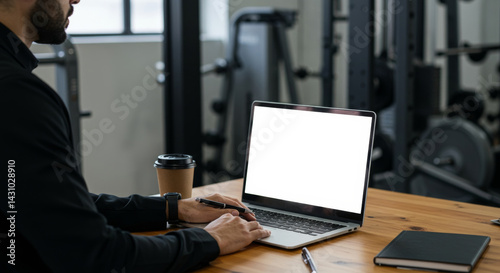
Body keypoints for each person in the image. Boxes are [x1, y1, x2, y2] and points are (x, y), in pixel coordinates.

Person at [0, 0, 270, 272]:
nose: (76, 0)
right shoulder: (19, 94)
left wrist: (171, 209)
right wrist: (209, 239)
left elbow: (50, 207)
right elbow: (97, 255)